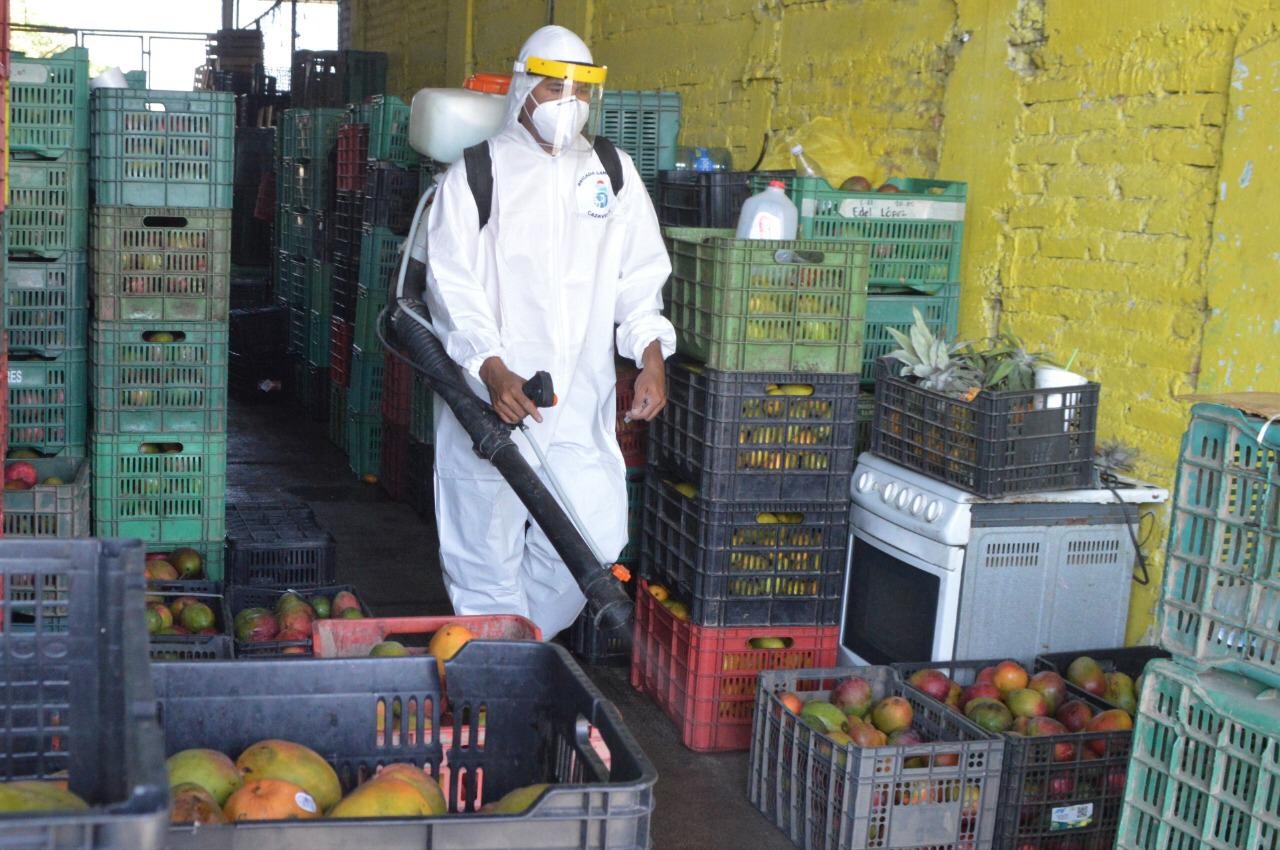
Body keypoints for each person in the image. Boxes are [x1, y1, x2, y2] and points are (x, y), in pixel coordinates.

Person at [407, 24, 675, 638]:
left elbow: (639, 275)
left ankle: (517, 644)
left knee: (593, 538)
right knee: (484, 555)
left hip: (578, 400)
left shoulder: (612, 171)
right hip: (493, 402)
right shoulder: (478, 174)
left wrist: (651, 356)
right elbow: (451, 286)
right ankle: (501, 668)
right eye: (555, 88)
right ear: (524, 86)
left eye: (581, 91)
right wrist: (492, 368)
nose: (569, 103)